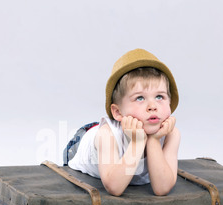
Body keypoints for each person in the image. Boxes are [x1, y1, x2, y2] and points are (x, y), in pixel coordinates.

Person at [66, 48, 180, 196]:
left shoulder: (172, 134)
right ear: (118, 112)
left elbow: (162, 188)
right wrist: (137, 142)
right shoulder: (107, 135)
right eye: (140, 98)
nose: (153, 106)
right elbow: (114, 187)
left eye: (159, 97)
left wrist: (153, 140)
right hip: (81, 144)